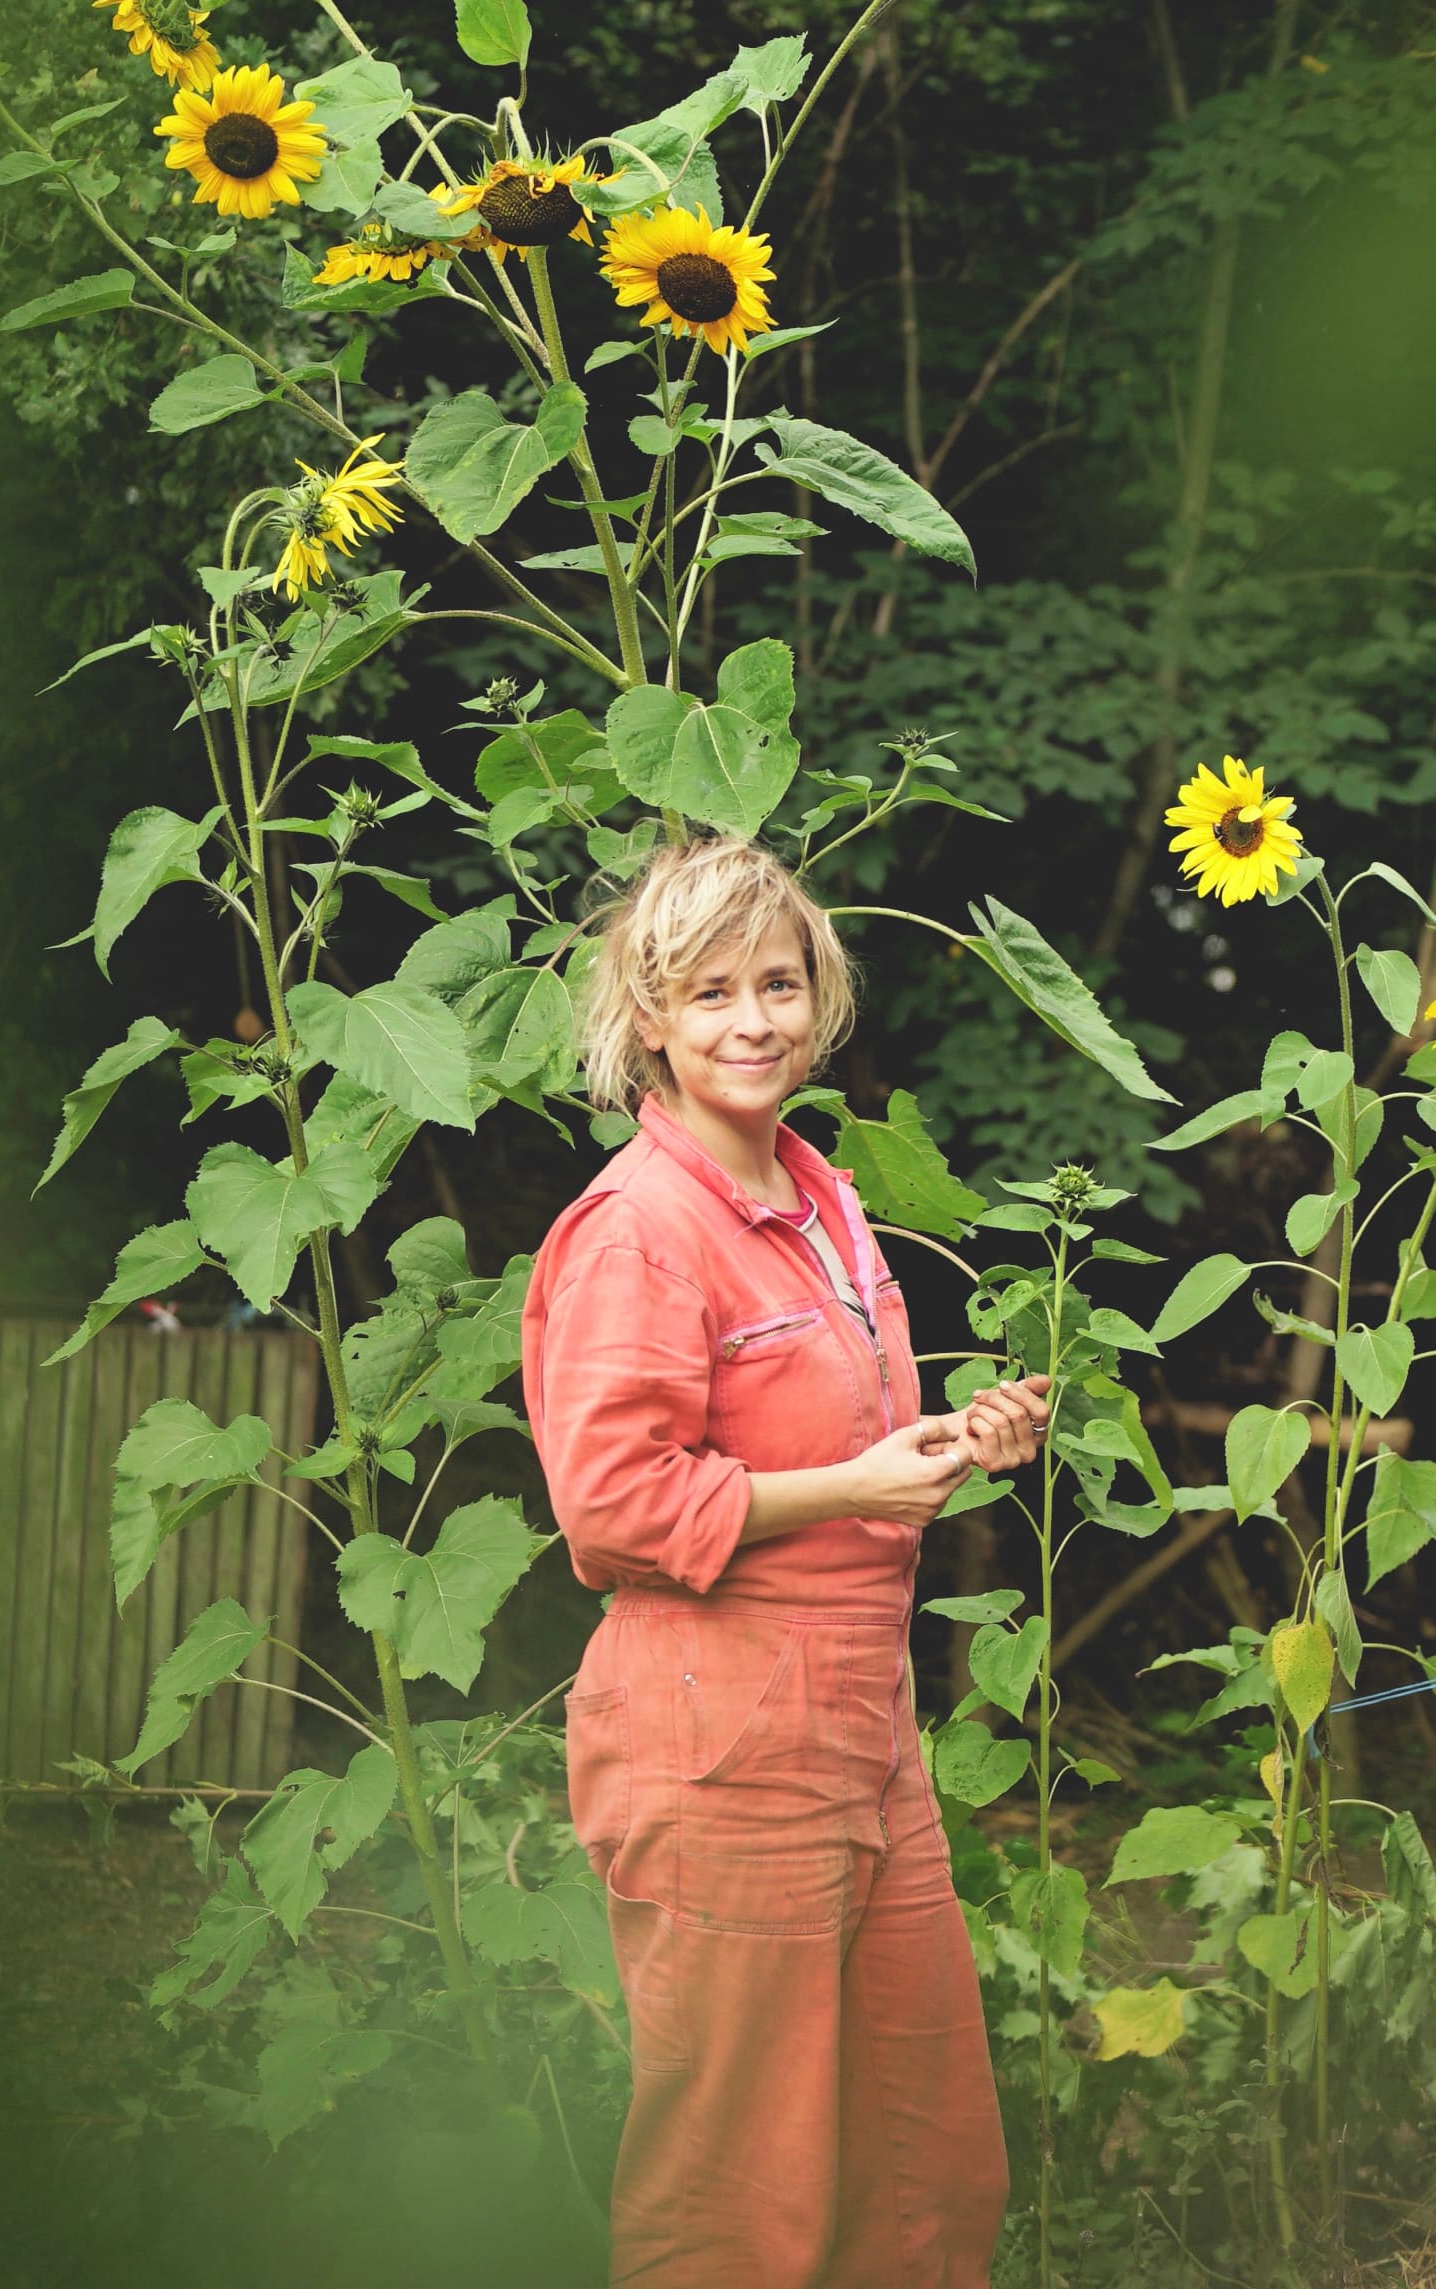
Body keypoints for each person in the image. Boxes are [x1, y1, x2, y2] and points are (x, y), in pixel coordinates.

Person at [520, 835, 1051, 2289]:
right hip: (720, 1737)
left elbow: (819, 1445)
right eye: (708, 993)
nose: (750, 1020)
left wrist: (942, 1442)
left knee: (924, 2153)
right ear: (648, 1017)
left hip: (859, 1729)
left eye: (776, 982)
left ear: (817, 999)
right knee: (737, 2192)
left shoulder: (821, 1196)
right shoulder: (641, 1227)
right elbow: (612, 1506)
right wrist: (853, 1485)